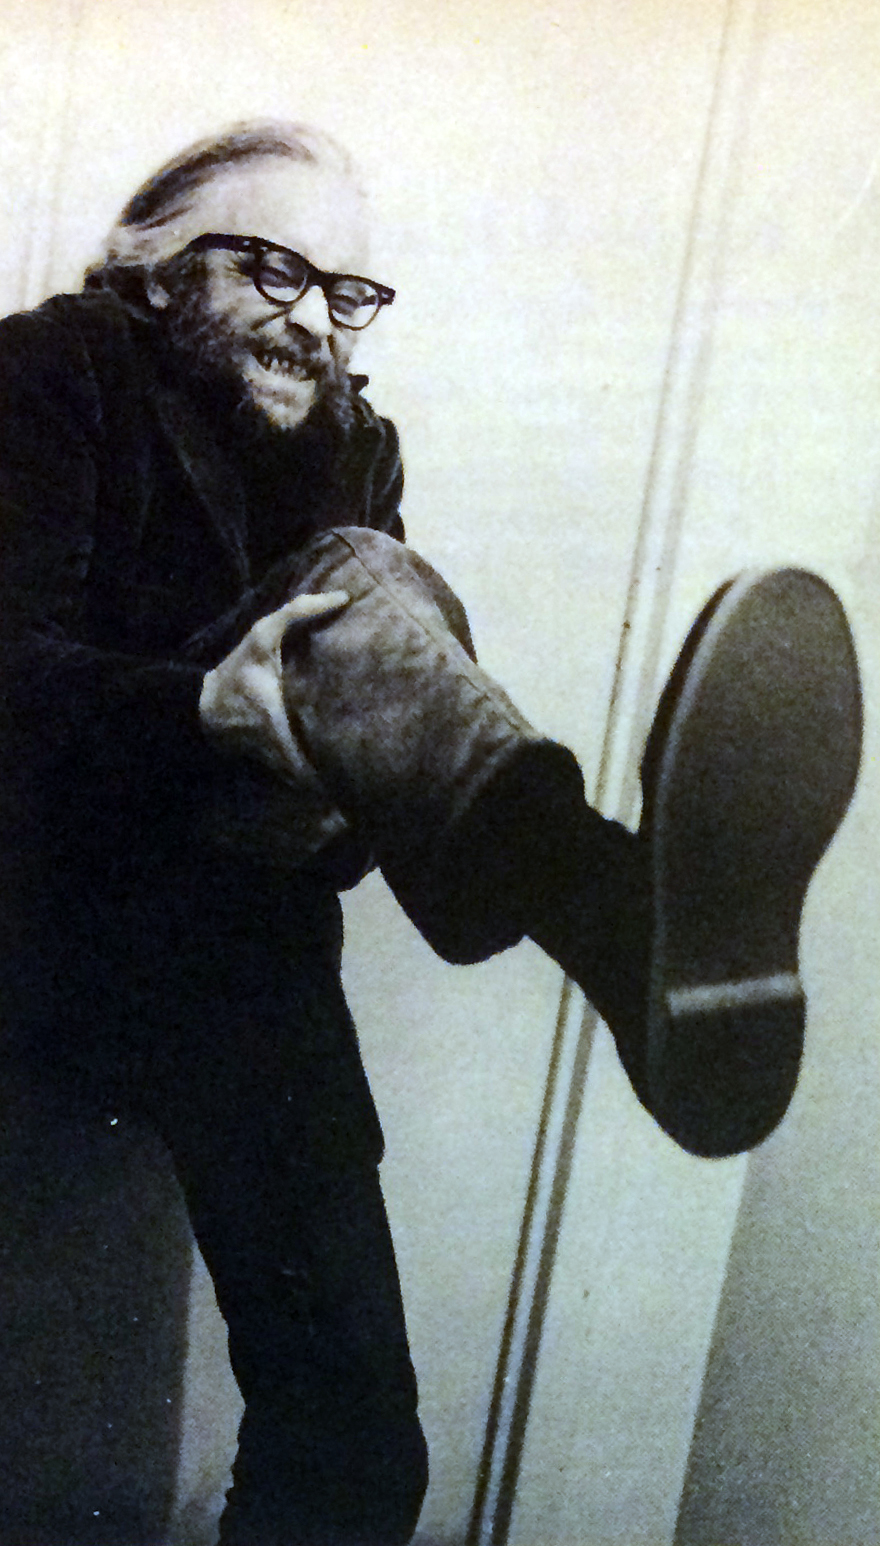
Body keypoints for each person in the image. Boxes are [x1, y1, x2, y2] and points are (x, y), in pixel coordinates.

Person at [0, 120, 862, 1546]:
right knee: (363, 578)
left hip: (236, 946)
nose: (313, 319)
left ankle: (582, 894)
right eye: (272, 268)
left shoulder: (352, 449)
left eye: (346, 294)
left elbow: (352, 807)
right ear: (155, 271)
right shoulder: (53, 374)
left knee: (355, 1446)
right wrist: (201, 709)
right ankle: (608, 906)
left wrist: (329, 786)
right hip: (52, 901)